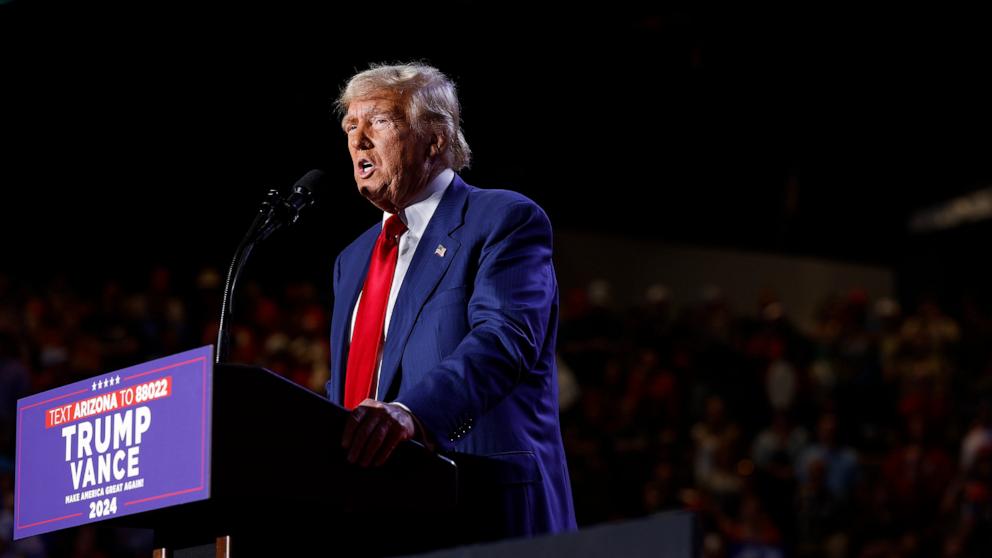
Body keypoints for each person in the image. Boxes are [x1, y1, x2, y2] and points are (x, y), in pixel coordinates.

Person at [326, 63, 576, 538]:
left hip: (475, 503)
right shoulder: (352, 260)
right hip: (368, 516)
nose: (358, 141)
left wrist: (411, 413)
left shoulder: (503, 219)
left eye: (377, 121)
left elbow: (504, 341)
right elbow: (352, 388)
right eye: (349, 127)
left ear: (435, 139)